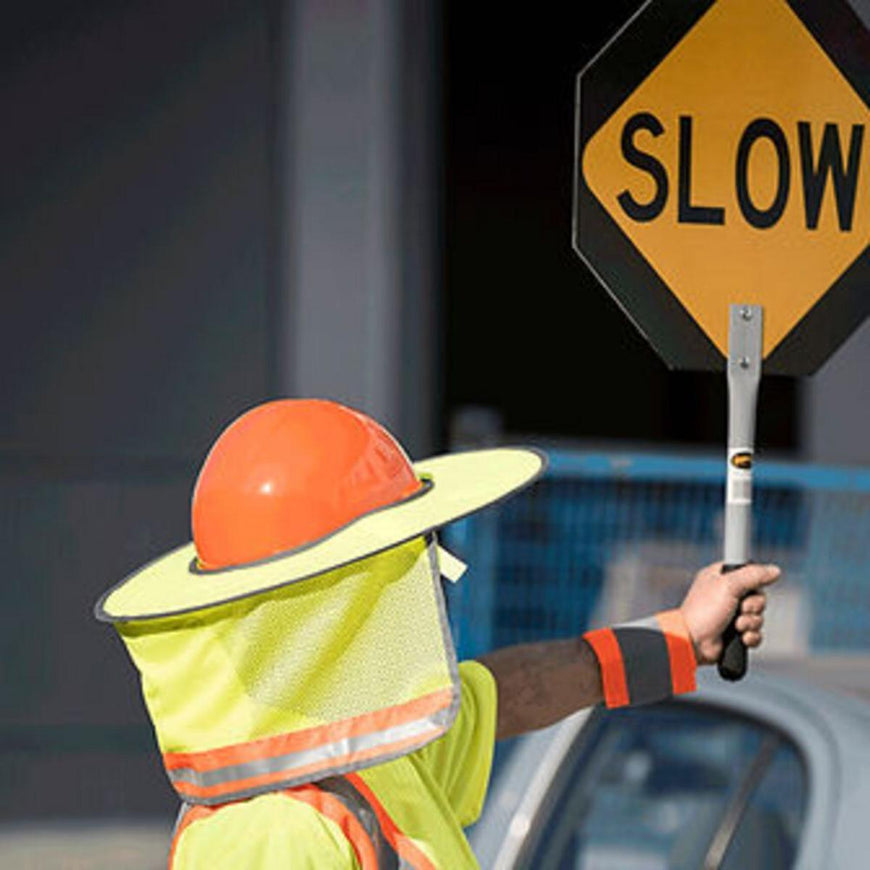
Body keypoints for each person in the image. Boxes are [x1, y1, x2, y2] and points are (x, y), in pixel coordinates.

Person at [95, 398, 779, 869]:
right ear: (335, 596)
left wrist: (682, 637)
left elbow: (507, 694)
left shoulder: (367, 750)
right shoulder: (271, 831)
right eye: (399, 559)